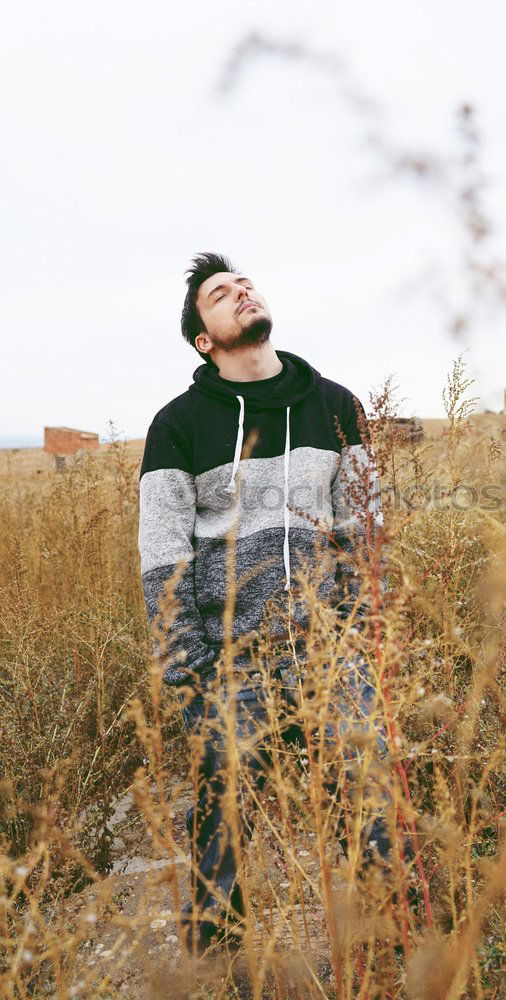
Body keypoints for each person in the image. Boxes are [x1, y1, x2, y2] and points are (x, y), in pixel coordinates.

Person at [137, 252, 408, 955]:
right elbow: (162, 554)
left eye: (244, 284)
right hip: (232, 662)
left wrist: (359, 629)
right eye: (221, 295)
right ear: (205, 340)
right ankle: (213, 966)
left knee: (373, 807)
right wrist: (190, 671)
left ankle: (398, 951)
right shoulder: (178, 424)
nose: (241, 292)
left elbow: (361, 526)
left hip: (328, 650)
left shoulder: (336, 404)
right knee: (222, 830)